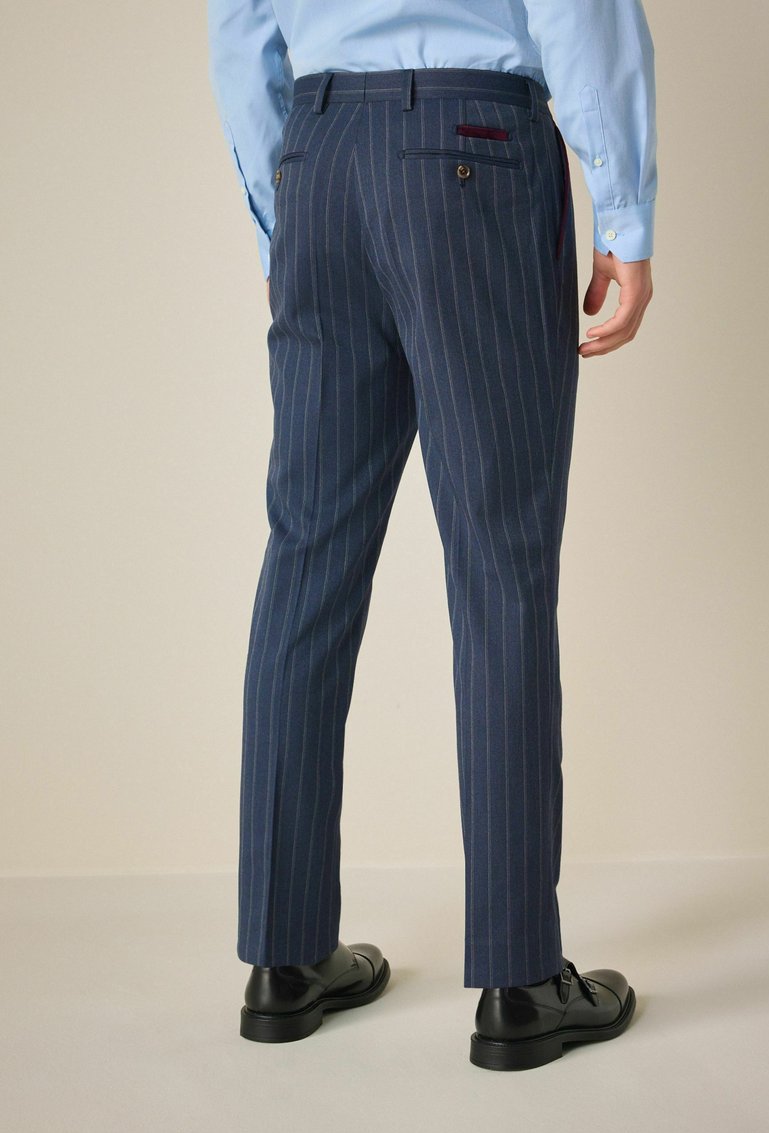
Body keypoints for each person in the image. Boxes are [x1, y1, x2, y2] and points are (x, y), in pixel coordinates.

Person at [207, 0, 656, 1071]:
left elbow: (238, 31)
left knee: (306, 554)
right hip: (473, 148)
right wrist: (624, 216)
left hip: (316, 158)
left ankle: (283, 960)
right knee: (500, 565)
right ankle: (519, 981)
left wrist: (282, 210)